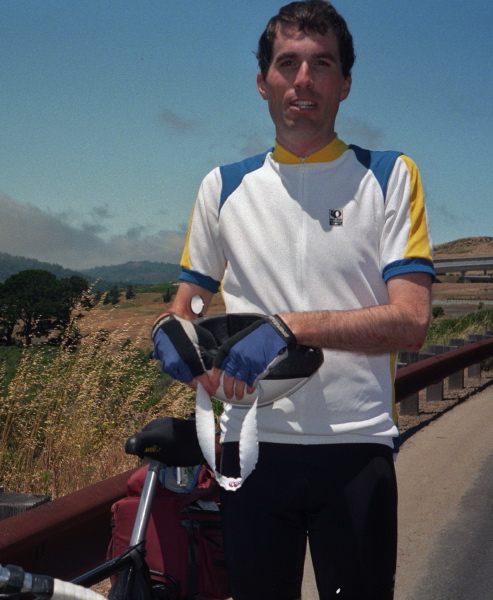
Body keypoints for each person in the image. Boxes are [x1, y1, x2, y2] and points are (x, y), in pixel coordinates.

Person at [150, 1, 435, 599]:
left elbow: (411, 321)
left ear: (345, 83)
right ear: (263, 82)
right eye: (287, 64)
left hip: (356, 447)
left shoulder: (388, 176)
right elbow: (189, 304)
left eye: (321, 64)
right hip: (253, 448)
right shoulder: (222, 187)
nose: (303, 79)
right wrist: (182, 346)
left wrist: (288, 328)